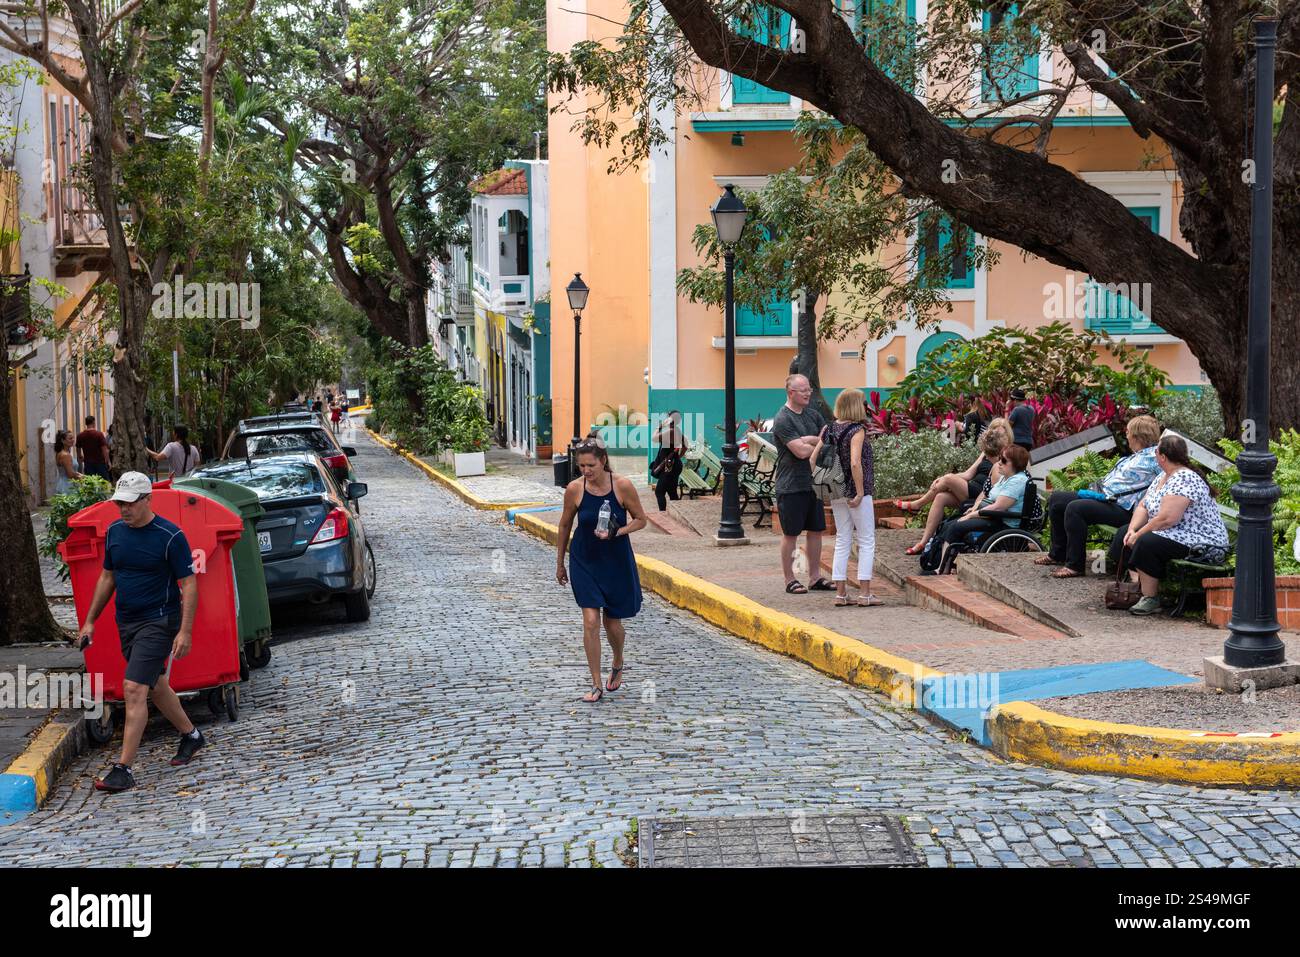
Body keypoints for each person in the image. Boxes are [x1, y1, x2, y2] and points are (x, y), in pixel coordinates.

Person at [77, 472, 205, 793]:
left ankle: (124, 769)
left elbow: (188, 585)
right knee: (156, 685)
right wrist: (90, 620)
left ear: (148, 499)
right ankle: (192, 736)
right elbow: (108, 577)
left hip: (160, 620)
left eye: (130, 503)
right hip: (127, 622)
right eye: (120, 503)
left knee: (134, 688)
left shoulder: (170, 536)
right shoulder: (115, 533)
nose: (124, 509)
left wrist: (184, 631)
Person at [556, 437, 646, 703]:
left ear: (603, 461)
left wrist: (619, 531)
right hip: (584, 559)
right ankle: (595, 684)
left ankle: (618, 660)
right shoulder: (574, 489)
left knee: (612, 623)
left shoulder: (622, 486)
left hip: (616, 560)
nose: (586, 471)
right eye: (581, 466)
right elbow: (563, 526)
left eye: (591, 465)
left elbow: (641, 520)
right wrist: (560, 562)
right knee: (591, 621)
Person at [1035, 414, 1163, 578]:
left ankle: (1075, 565)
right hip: (1105, 498)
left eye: (1128, 432)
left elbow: (1168, 480)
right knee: (1057, 499)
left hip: (1124, 508)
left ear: (1138, 436)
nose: (1127, 435)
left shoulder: (1156, 458)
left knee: (1076, 509)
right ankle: (1057, 554)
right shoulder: (1137, 455)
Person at [1117, 434, 1229, 616]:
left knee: (1145, 542)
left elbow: (1167, 519)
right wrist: (1132, 530)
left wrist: (1139, 535)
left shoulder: (1184, 477)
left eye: (1156, 452)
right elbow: (1143, 505)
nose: (1154, 455)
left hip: (1203, 541)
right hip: (1178, 534)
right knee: (1124, 533)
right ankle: (1138, 586)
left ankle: (1150, 598)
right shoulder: (1164, 476)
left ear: (1162, 457)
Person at [896, 419, 1014, 555]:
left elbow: (995, 487)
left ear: (1008, 434)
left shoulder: (1008, 456)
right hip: (971, 486)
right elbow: (968, 473)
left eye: (1001, 431)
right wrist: (945, 478)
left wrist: (948, 479)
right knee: (940, 497)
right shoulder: (987, 450)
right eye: (994, 430)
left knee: (948, 478)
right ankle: (923, 542)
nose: (997, 434)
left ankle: (918, 504)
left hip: (981, 491)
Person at [810, 388, 881, 606]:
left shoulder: (828, 429)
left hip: (835, 490)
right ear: (856, 405)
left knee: (842, 538)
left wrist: (823, 485)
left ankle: (841, 594)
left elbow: (813, 459)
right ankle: (865, 594)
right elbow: (855, 462)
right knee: (866, 540)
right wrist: (859, 492)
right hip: (856, 491)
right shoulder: (856, 430)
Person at [773, 374, 834, 594]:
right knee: (791, 533)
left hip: (814, 483)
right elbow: (799, 452)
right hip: (791, 485)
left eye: (809, 389)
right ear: (791, 393)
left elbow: (829, 442)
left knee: (816, 530)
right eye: (803, 390)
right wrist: (813, 443)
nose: (809, 393)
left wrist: (809, 441)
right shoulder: (783, 419)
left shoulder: (813, 415)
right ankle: (790, 579)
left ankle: (815, 576)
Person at [934, 444, 1032, 572]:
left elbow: (998, 507)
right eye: (999, 458)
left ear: (1015, 464)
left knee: (957, 526)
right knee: (952, 522)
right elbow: (988, 497)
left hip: (1004, 522)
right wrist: (974, 509)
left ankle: (943, 568)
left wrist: (972, 515)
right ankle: (945, 565)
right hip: (994, 517)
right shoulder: (1005, 478)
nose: (999, 463)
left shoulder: (1017, 481)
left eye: (1003, 460)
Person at [650, 410, 687, 512]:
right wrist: (678, 457)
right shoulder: (678, 431)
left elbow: (654, 438)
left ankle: (663, 514)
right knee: (672, 491)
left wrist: (660, 426)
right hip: (674, 465)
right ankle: (679, 513)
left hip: (668, 467)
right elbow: (685, 446)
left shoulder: (671, 432)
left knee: (659, 492)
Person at [75, 415, 112, 482]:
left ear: (86, 423)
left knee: (90, 483)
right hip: (100, 463)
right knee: (104, 483)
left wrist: (80, 458)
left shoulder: (80, 436)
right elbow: (104, 450)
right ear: (93, 422)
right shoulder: (99, 434)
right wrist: (108, 461)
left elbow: (78, 450)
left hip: (88, 464)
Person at [53, 430, 84, 495]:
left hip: (63, 483)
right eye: (70, 438)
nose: (73, 440)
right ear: (63, 441)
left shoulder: (61, 453)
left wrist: (81, 475)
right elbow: (70, 474)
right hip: (68, 485)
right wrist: (84, 478)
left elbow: (72, 471)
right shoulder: (65, 455)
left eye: (73, 438)